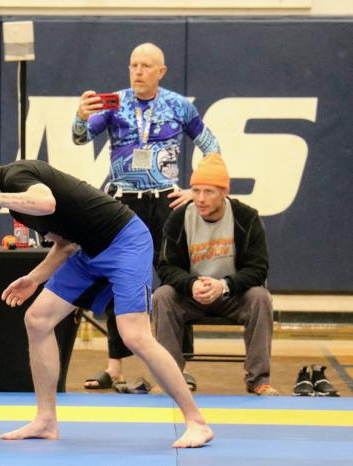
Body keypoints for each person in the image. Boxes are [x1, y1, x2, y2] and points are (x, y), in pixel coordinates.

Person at [0, 139, 213, 448]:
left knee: (135, 335)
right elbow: (65, 243)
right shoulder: (14, 201)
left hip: (125, 241)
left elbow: (46, 203)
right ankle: (45, 420)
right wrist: (34, 278)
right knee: (38, 319)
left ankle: (197, 422)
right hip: (89, 251)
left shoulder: (16, 176)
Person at [71, 42, 221, 390]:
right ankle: (115, 366)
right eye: (133, 65)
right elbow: (80, 139)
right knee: (117, 278)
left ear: (161, 71)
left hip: (166, 202)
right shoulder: (115, 103)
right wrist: (80, 116)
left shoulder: (179, 106)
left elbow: (212, 148)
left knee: (175, 280)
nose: (137, 72)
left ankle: (177, 366)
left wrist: (195, 189)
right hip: (121, 203)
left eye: (145, 66)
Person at [154, 154, 278, 396]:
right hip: (192, 296)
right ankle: (170, 378)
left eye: (208, 192)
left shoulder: (246, 217)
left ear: (224, 192)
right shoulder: (179, 217)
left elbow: (258, 268)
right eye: (196, 191)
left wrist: (224, 285)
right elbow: (166, 267)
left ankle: (259, 379)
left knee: (260, 297)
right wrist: (191, 285)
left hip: (233, 295)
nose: (200, 199)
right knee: (163, 296)